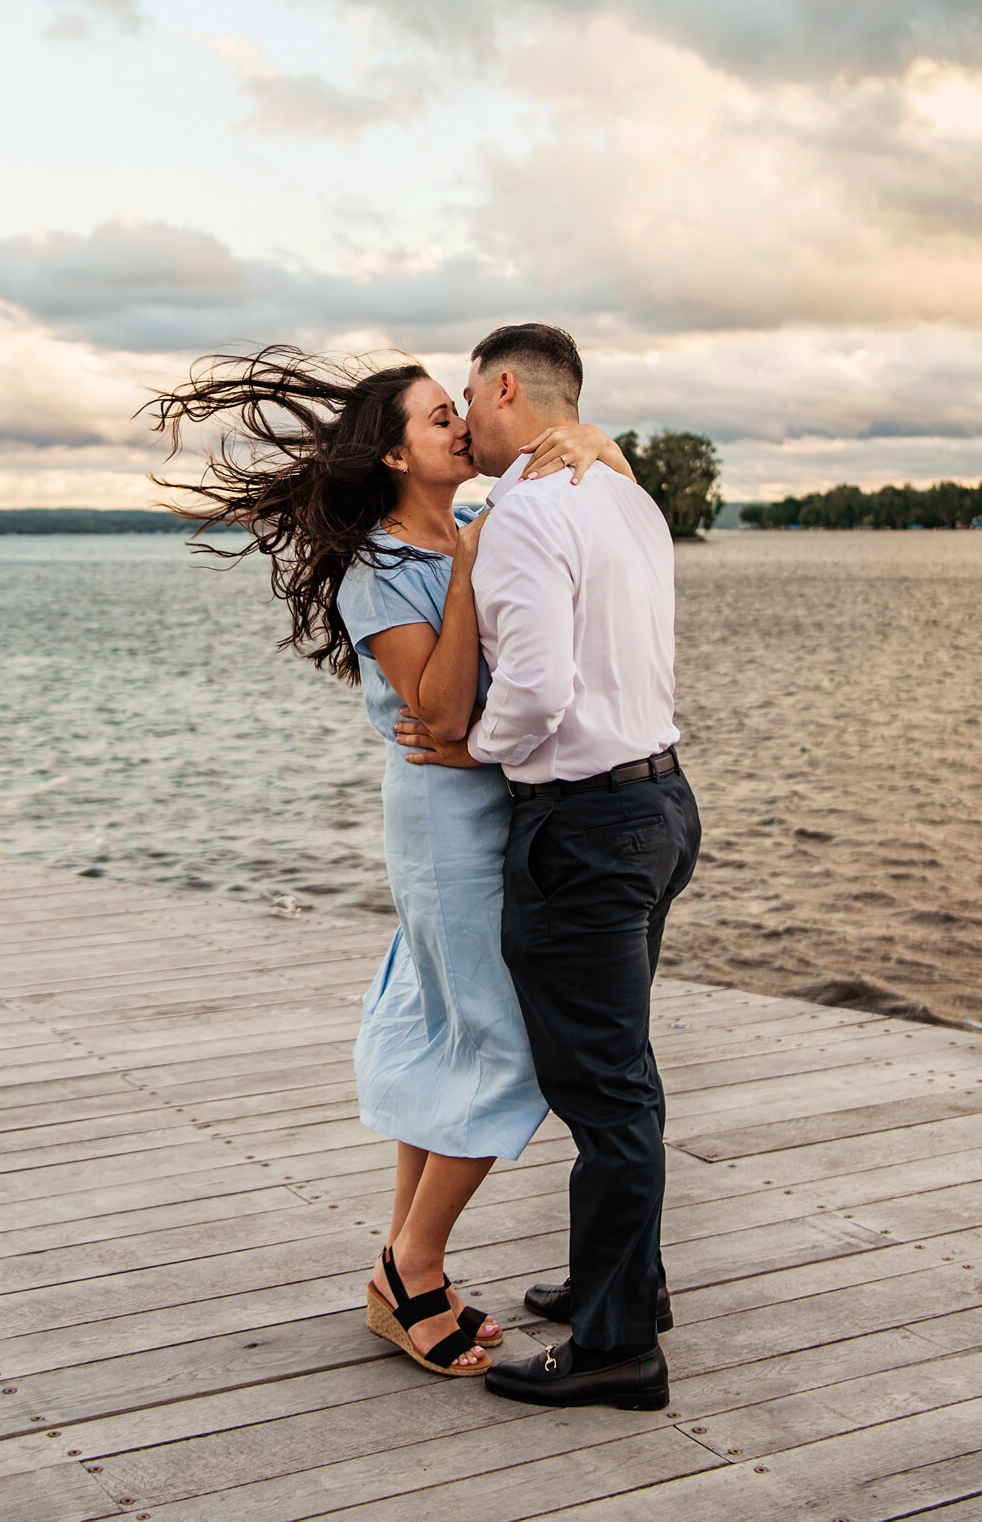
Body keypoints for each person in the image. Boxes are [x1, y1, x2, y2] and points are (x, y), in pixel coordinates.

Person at [143, 346, 633, 1380]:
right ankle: (409, 1263)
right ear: (395, 453)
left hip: (496, 802)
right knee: (499, 1043)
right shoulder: (385, 563)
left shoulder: (468, 528)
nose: (461, 423)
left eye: (459, 407)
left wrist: (597, 444)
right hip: (447, 823)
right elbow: (442, 712)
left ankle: (410, 1269)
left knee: (440, 1031)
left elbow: (500, 694)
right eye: (434, 416)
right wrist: (463, 567)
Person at [400, 322, 700, 1411]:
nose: (463, 420)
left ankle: (619, 1345)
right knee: (622, 1072)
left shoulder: (527, 510)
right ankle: (624, 1282)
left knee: (603, 1087)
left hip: (582, 824)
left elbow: (532, 691)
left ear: (505, 389)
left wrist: (466, 746)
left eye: (468, 400)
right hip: (660, 803)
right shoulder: (625, 494)